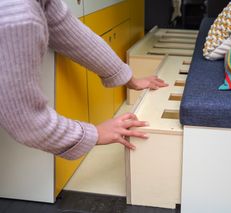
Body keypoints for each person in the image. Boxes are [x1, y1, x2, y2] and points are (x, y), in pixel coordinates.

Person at [0, 0, 168, 160]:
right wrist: (94, 134)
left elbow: (69, 32)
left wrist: (129, 78)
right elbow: (25, 121)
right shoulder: (16, 13)